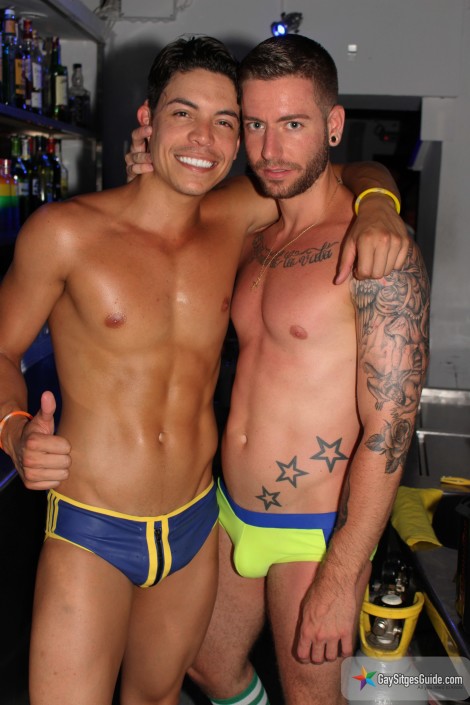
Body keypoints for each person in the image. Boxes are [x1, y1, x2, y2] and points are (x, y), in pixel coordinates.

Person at [0, 37, 408, 705]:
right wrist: (14, 428)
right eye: (184, 114)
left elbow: (345, 172)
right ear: (147, 119)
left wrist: (379, 204)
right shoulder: (64, 232)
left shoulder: (235, 217)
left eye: (226, 121)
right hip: (92, 525)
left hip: (195, 525)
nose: (204, 138)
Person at [127, 36, 430, 705]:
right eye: (256, 125)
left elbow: (391, 428)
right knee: (207, 667)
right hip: (230, 510)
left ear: (333, 124)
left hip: (314, 530)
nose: (271, 149)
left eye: (293, 124)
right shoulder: (254, 234)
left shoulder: (375, 250)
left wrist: (343, 569)